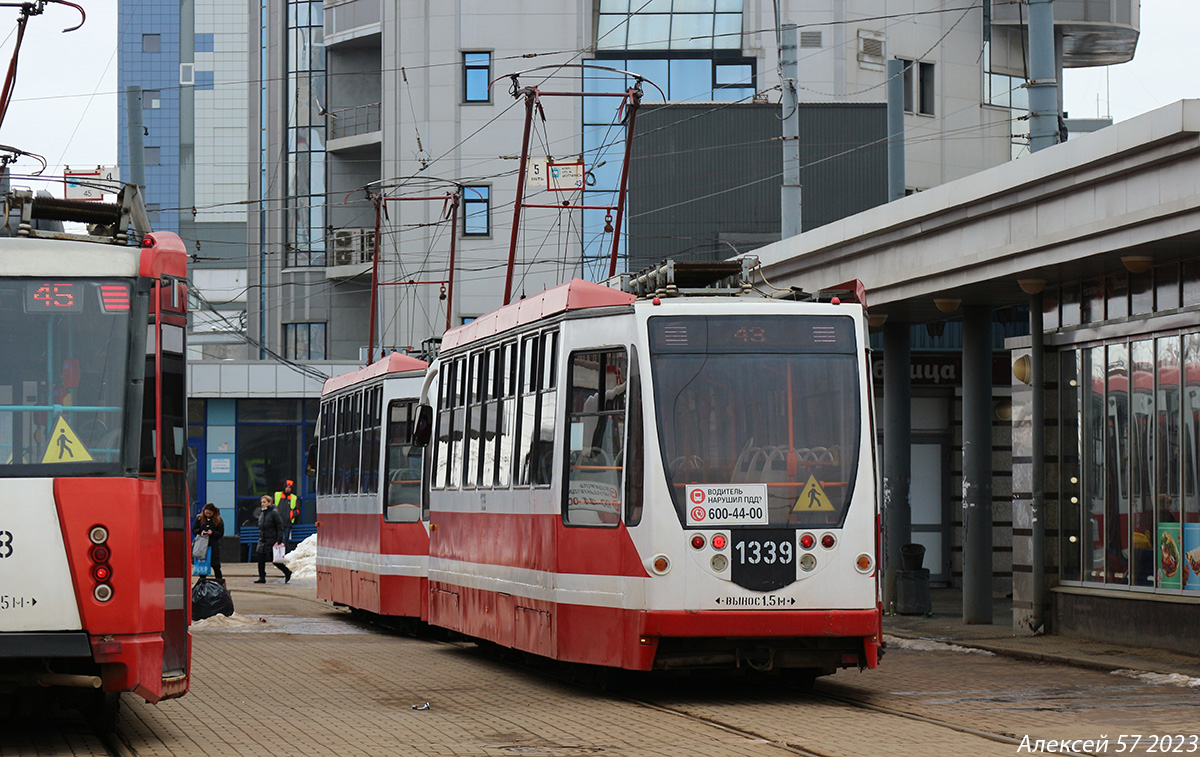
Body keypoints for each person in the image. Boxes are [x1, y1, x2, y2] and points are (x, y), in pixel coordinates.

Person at [254, 494, 292, 584]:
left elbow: (279, 526)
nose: (262, 504)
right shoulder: (262, 513)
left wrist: (279, 539)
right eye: (261, 502)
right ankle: (262, 577)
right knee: (260, 559)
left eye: (264, 502)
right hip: (262, 540)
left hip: (272, 540)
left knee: (275, 560)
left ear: (269, 503)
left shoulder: (274, 513)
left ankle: (287, 572)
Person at [192, 503, 225, 584]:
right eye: (206, 513)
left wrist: (212, 533)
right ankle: (202, 584)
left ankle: (220, 583)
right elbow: (194, 530)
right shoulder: (199, 519)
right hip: (202, 546)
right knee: (203, 567)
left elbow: (220, 533)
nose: (208, 515)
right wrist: (201, 532)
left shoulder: (218, 520)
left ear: (213, 512)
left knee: (216, 566)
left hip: (213, 546)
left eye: (210, 513)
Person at [274, 480, 298, 547]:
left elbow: (298, 510)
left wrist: (291, 515)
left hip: (288, 523)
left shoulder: (294, 497)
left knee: (285, 540)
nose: (288, 489)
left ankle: (286, 555)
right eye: (287, 487)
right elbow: (271, 505)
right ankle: (278, 555)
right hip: (277, 522)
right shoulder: (277, 495)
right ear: (284, 487)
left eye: (290, 487)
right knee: (277, 540)